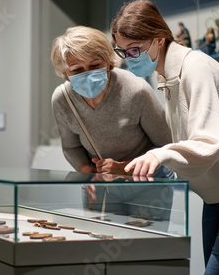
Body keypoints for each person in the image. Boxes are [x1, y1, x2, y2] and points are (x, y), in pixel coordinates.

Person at [110, 0, 219, 275]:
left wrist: (160, 153)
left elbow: (208, 143)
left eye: (134, 50)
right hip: (215, 199)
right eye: (123, 51)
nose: (129, 59)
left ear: (159, 39)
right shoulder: (165, 76)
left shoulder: (195, 67)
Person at [50, 25, 175, 220]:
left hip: (148, 185)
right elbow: (71, 147)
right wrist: (88, 174)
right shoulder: (62, 99)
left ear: (108, 63)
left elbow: (166, 146)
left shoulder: (136, 91)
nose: (87, 74)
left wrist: (123, 167)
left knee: (146, 245)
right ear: (66, 74)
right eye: (77, 70)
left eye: (94, 65)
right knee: (99, 241)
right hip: (101, 186)